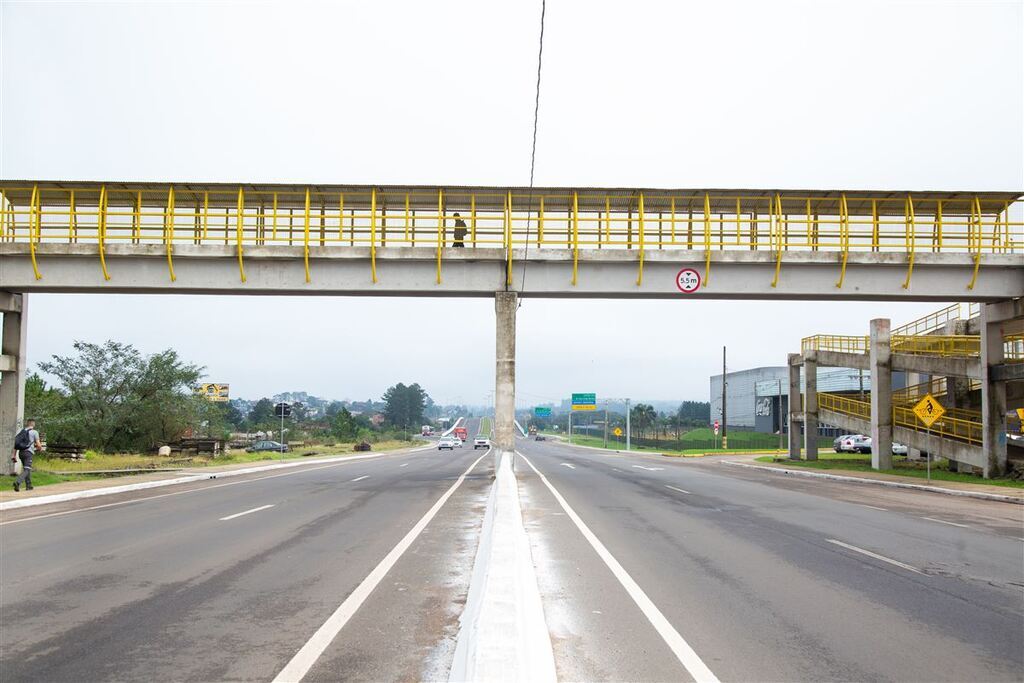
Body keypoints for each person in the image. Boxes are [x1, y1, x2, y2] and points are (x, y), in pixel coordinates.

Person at [12, 418, 42, 492]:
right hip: (28, 453)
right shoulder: (34, 432)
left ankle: (29, 486)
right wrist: (39, 449)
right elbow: (38, 444)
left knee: (26, 469)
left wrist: (14, 455)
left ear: (27, 424)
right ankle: (18, 482)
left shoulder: (22, 431)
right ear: (33, 424)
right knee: (27, 469)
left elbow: (16, 444)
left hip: (21, 453)